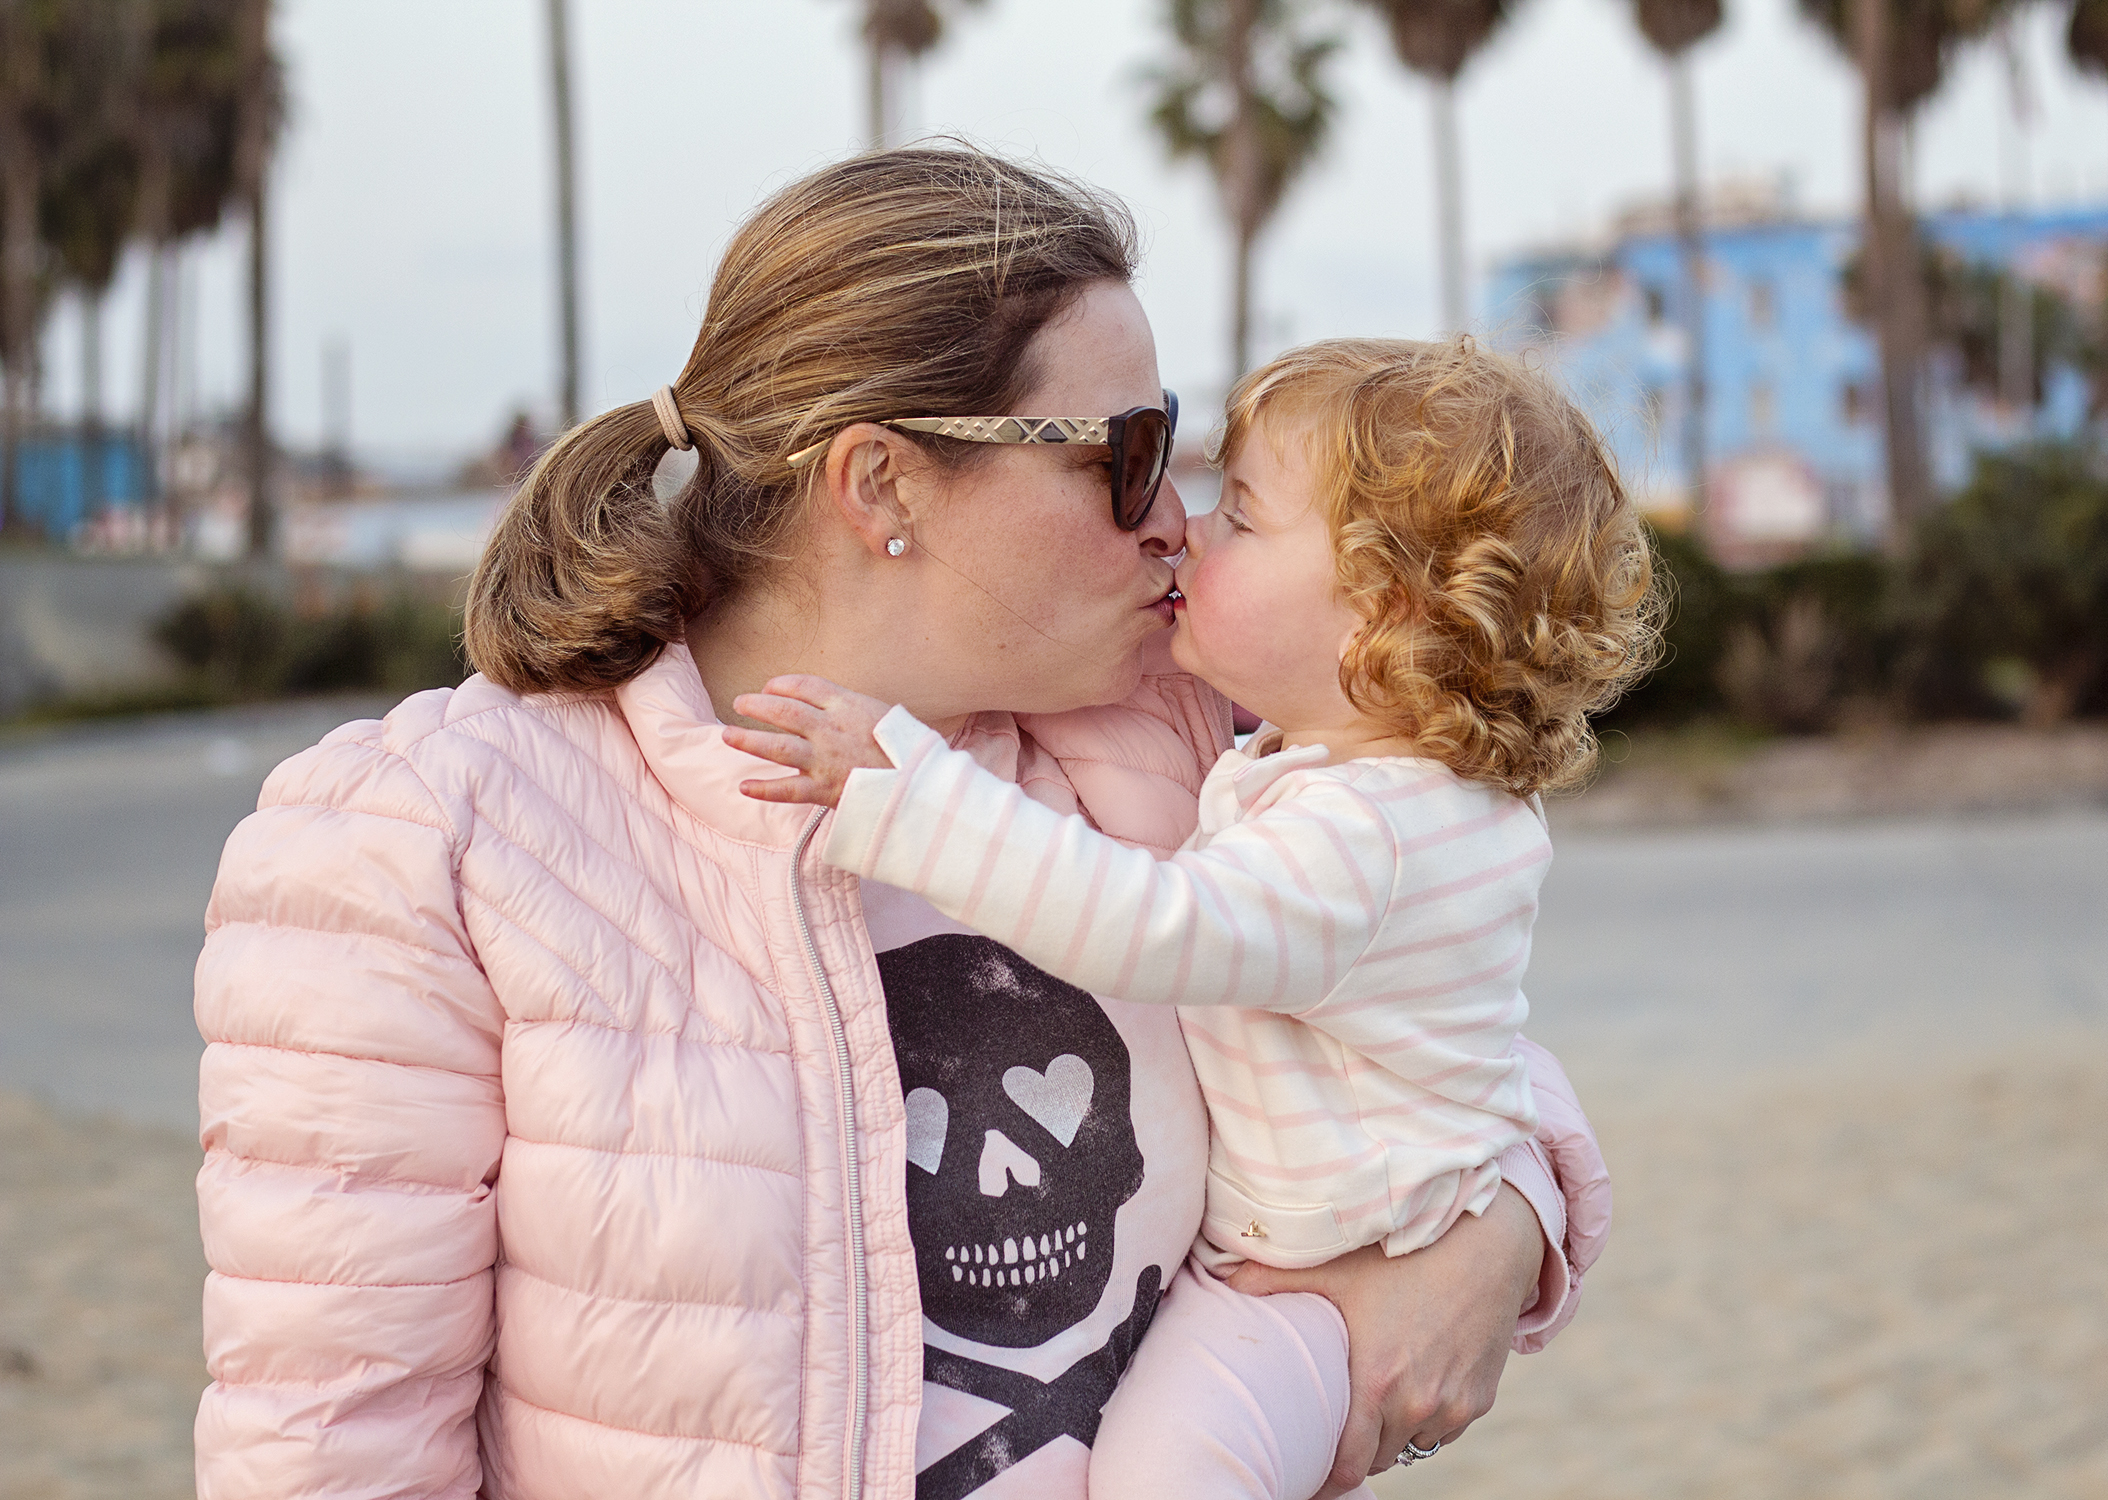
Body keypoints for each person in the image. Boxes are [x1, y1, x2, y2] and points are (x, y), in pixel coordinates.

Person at [192, 150, 1611, 1500]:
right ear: (882, 484)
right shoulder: (417, 845)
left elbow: (1439, 1008)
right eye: (1127, 453)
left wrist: (1504, 1231)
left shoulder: (1181, 743)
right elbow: (332, 1448)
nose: (1175, 520)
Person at [722, 336, 1656, 1499]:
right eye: (1128, 462)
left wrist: (902, 796)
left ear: (1378, 617)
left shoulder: (1365, 833)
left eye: (1243, 514)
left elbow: (1156, 926)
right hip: (1285, 1261)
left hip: (1318, 1279)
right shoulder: (1343, 782)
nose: (1183, 526)